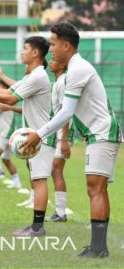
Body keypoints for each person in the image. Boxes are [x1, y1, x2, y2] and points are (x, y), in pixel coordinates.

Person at [22, 22, 122, 257]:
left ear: (66, 45)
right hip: (97, 134)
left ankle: (98, 247)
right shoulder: (72, 70)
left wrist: (39, 133)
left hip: (102, 132)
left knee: (95, 189)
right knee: (98, 189)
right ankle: (99, 246)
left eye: (54, 44)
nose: (51, 49)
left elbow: (66, 113)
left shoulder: (78, 69)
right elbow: (64, 113)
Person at [0, 36, 55, 236]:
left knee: (40, 180)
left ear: (35, 53)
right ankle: (35, 225)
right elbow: (9, 91)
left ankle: (38, 227)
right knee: (36, 179)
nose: (21, 52)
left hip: (42, 136)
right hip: (36, 135)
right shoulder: (32, 75)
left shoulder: (38, 76)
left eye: (25, 48)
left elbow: (9, 98)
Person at [45, 59, 74, 222]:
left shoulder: (63, 81)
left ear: (62, 64)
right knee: (54, 170)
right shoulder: (56, 82)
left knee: (56, 169)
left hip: (63, 132)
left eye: (54, 60)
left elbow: (66, 111)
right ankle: (59, 212)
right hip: (56, 132)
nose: (50, 62)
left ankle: (61, 213)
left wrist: (64, 140)